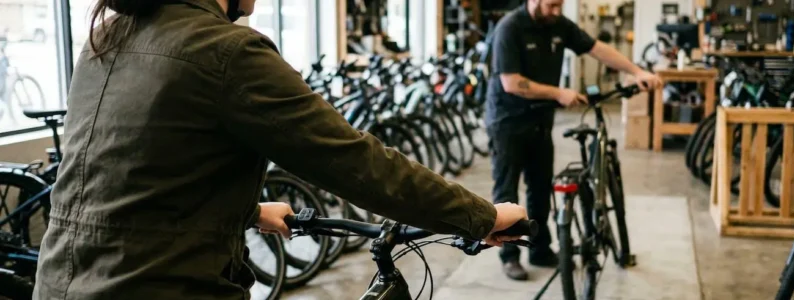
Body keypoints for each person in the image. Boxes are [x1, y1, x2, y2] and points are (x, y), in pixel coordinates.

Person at [33, 0, 528, 298]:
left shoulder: (107, 38)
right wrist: (480, 216)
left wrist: (247, 209)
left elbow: (127, 175)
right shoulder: (226, 50)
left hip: (64, 284)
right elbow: (355, 161)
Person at [486, 0, 662, 280]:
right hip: (507, 122)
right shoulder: (510, 28)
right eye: (552, 5)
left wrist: (637, 72)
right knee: (507, 191)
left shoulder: (558, 24)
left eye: (560, 5)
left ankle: (539, 249)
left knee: (541, 188)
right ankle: (510, 256)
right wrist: (558, 93)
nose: (557, 11)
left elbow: (597, 48)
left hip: (541, 121)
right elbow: (511, 82)